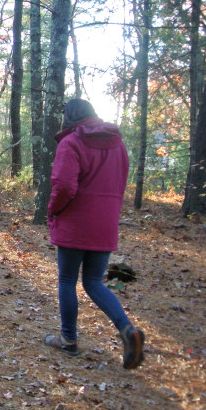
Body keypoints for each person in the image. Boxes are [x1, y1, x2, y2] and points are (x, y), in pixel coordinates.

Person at [44, 98, 145, 369]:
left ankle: (68, 340)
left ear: (70, 117)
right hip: (105, 223)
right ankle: (127, 330)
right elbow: (121, 182)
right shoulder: (118, 144)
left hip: (76, 222)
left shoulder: (71, 142)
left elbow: (64, 186)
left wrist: (53, 210)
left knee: (67, 280)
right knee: (93, 282)